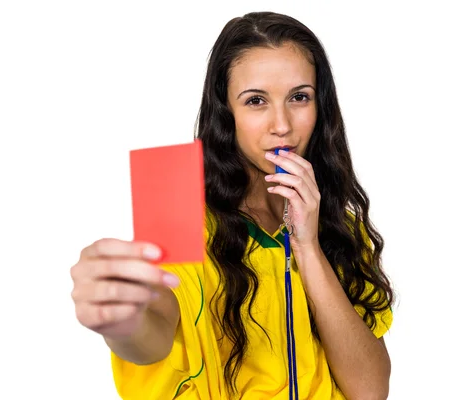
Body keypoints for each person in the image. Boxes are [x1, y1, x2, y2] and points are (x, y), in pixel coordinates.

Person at [70, 11, 395, 400]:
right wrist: (123, 322)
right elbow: (156, 329)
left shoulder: (341, 226)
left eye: (299, 97)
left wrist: (308, 247)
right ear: (227, 114)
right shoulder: (179, 213)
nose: (282, 125)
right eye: (256, 101)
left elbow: (371, 391)